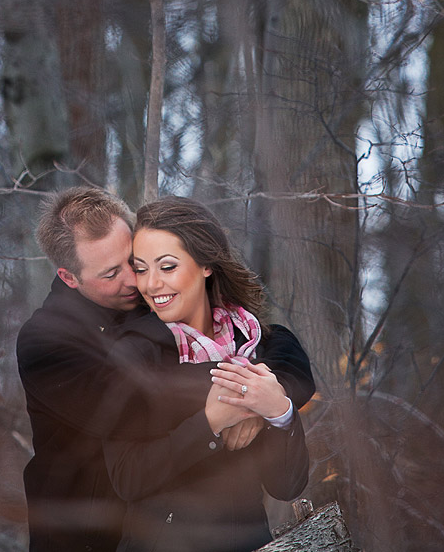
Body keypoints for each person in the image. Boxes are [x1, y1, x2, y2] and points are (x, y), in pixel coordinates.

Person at [16, 188, 314, 552]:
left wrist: (266, 399)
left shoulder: (156, 300)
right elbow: (134, 403)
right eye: (111, 273)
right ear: (69, 277)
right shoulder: (46, 341)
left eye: (134, 261)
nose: (132, 279)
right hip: (83, 537)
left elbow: (277, 343)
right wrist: (237, 396)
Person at [104, 196, 310, 552]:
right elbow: (127, 476)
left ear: (205, 264)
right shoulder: (131, 354)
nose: (151, 284)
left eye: (167, 267)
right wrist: (212, 420)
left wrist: (277, 412)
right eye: (141, 268)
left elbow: (286, 487)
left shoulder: (260, 345)